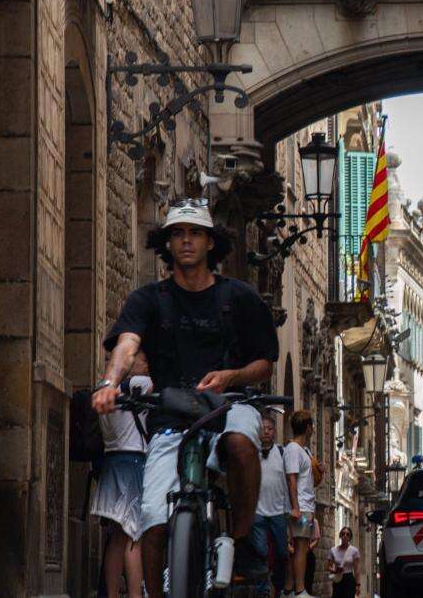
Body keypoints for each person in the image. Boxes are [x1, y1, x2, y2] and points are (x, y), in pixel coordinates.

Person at [92, 199, 280, 596]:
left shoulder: (239, 297)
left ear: (211, 242)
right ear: (167, 243)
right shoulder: (149, 299)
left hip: (230, 404)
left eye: (195, 233)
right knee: (151, 516)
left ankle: (243, 544)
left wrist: (231, 375)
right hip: (170, 415)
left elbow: (265, 363)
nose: (186, 241)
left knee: (242, 444)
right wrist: (110, 382)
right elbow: (127, 343)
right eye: (178, 233)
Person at [90, 365, 152, 598]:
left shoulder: (104, 387)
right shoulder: (139, 384)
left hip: (112, 459)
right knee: (134, 536)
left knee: (117, 537)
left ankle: (113, 594)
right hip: (133, 460)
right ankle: (136, 595)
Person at [253, 413, 290, 596]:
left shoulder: (282, 454)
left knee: (282, 554)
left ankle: (279, 586)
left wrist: (291, 508)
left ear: (275, 432)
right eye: (263, 429)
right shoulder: (251, 453)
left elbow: (290, 482)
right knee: (261, 552)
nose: (266, 432)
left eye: (269, 429)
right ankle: (263, 591)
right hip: (257, 511)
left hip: (278, 512)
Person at [284, 410, 317, 598]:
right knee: (301, 549)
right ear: (307, 428)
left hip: (306, 507)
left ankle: (290, 589)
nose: (312, 429)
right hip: (301, 509)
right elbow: (292, 479)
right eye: (311, 425)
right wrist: (295, 507)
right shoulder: (294, 450)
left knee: (298, 549)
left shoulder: (304, 451)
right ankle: (300, 590)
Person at [329, 526, 361, 598]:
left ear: (350, 537)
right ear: (340, 536)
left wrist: (358, 585)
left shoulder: (354, 551)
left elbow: (356, 570)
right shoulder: (333, 550)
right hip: (338, 578)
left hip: (349, 579)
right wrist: (334, 570)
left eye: (347, 534)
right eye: (343, 534)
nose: (345, 536)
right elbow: (329, 566)